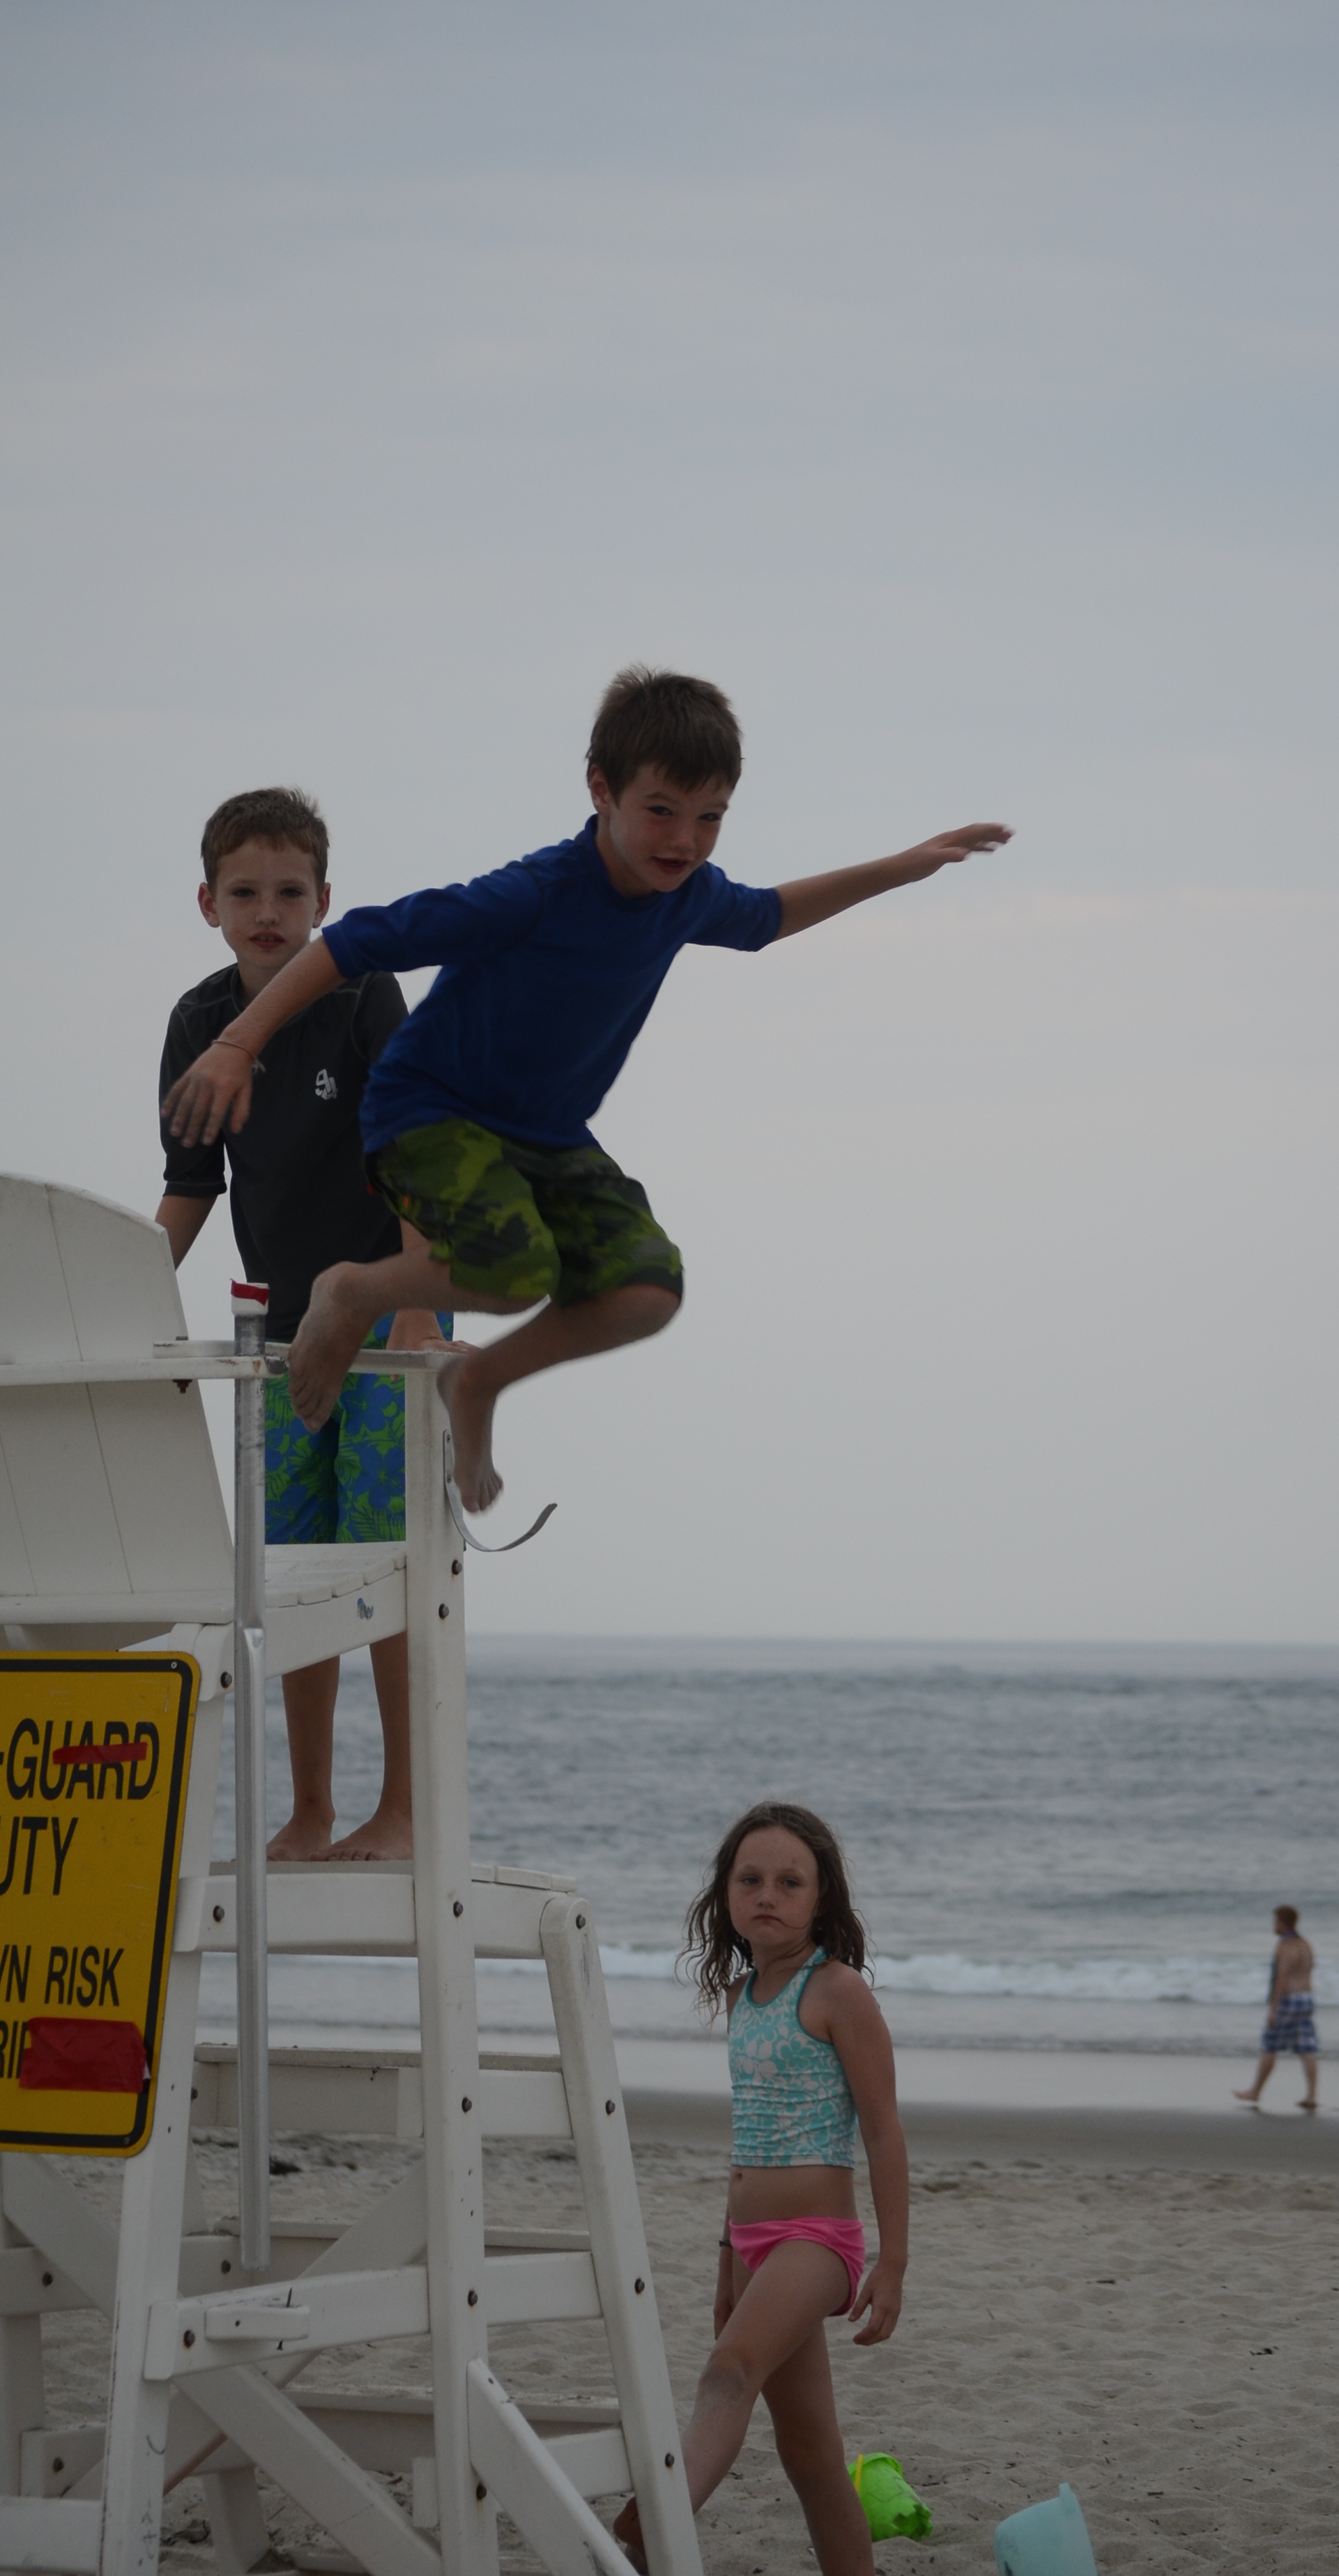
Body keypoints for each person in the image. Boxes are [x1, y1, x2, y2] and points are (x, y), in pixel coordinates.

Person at [162, 668, 1012, 1513]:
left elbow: (769, 917)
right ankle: (354, 1289)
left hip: (544, 1135)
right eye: (662, 811)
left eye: (710, 817)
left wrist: (903, 867)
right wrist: (237, 1044)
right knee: (518, 1269)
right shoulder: (532, 894)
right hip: (428, 1113)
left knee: (647, 1290)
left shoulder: (687, 897)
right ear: (602, 789)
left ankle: (483, 1378)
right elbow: (354, 941)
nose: (685, 840)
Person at [155, 788, 452, 1861]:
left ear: (326, 901)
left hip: (387, 1314)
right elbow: (191, 1186)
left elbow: (415, 1146)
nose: (268, 911)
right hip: (279, 1334)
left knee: (386, 1556)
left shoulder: (364, 992)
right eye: (245, 892)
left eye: (291, 892)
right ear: (209, 904)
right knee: (292, 1568)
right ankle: (313, 1807)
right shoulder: (198, 1024)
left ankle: (404, 1809)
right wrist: (131, 1306)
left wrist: (415, 1302)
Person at [613, 1802, 908, 2575]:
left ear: (821, 1896)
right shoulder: (742, 1997)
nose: (767, 1895)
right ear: (726, 1895)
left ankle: (648, 2531)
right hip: (750, 2247)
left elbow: (883, 2133)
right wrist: (726, 2263)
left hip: (818, 2243)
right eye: (750, 1880)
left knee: (728, 2371)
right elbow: (749, 2139)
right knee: (810, 2453)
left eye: (789, 1881)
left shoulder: (838, 1992)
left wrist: (893, 2262)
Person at [1234, 1905, 1319, 2109]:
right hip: (1306, 1997)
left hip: (1289, 1999)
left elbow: (1282, 1977)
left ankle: (1255, 2091)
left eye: (1276, 1922)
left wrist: (1273, 2008)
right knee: (1306, 2047)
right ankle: (1312, 2095)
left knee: (1270, 2045)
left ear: (1282, 1923)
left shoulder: (1285, 1946)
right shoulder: (1305, 1944)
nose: (1274, 1926)